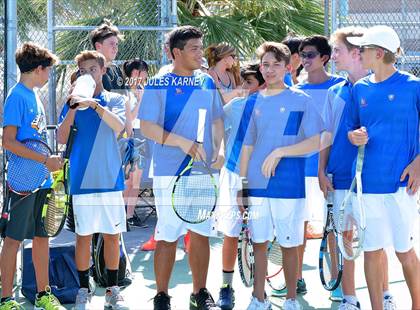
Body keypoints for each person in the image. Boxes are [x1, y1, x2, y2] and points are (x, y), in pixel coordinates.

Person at [138, 25, 225, 310]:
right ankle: (162, 295)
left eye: (202, 47)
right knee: (167, 233)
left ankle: (199, 293)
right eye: (195, 49)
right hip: (168, 172)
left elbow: (216, 120)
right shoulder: (158, 84)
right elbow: (148, 127)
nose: (201, 54)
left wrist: (220, 149)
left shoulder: (207, 82)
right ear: (177, 53)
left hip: (202, 171)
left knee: (200, 232)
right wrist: (181, 142)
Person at [239, 41, 323, 310]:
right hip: (257, 186)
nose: (270, 69)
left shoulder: (301, 100)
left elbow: (317, 141)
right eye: (265, 64)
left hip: (289, 185)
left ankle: (290, 300)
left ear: (288, 67)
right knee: (259, 243)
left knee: (290, 244)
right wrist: (242, 185)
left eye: (276, 64)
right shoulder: (253, 101)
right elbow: (247, 145)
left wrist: (281, 152)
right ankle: (258, 298)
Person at [319, 26, 396, 309]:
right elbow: (326, 134)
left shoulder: (381, 88)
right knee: (345, 239)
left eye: (337, 50)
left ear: (356, 53)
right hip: (339, 177)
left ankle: (385, 294)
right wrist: (321, 170)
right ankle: (349, 299)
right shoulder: (334, 93)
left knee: (376, 241)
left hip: (374, 180)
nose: (332, 56)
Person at [346, 25, 420, 310]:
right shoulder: (359, 88)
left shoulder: (413, 86)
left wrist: (418, 163)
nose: (358, 54)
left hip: (402, 185)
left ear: (378, 53)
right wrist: (354, 137)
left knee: (405, 252)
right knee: (372, 251)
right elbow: (351, 130)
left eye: (362, 50)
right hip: (367, 185)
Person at [57, 50, 128, 310]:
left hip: (109, 179)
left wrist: (95, 105)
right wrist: (75, 106)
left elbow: (121, 127)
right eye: (83, 71)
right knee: (83, 237)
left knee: (112, 236)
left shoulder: (114, 99)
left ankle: (112, 289)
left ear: (103, 71)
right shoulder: (71, 102)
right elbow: (62, 138)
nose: (89, 74)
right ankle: (83, 290)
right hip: (81, 180)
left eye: (93, 70)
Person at [277, 35, 344, 299]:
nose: (305, 60)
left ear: (325, 58)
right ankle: (295, 280)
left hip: (329, 171)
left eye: (310, 55)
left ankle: (336, 281)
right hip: (298, 170)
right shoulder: (296, 89)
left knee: (332, 227)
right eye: (302, 54)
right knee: (297, 227)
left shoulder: (340, 86)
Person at [0, 42, 65, 310]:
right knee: (13, 240)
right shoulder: (17, 97)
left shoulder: (34, 95)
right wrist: (44, 160)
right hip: (22, 182)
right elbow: (8, 141)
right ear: (39, 69)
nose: (49, 76)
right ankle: (6, 299)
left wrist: (49, 165)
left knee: (42, 237)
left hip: (42, 180)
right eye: (48, 71)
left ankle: (43, 295)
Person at [216, 64, 265, 310]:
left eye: (250, 83)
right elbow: (214, 122)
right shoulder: (234, 106)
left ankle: (260, 292)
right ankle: (226, 287)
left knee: (261, 236)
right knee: (230, 233)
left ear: (263, 84)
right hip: (232, 174)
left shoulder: (271, 107)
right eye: (242, 82)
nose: (244, 88)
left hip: (262, 179)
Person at [121, 58, 149, 225]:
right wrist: (139, 101)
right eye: (142, 71)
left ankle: (130, 216)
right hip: (128, 137)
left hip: (142, 136)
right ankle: (122, 214)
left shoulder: (143, 90)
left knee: (136, 180)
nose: (144, 75)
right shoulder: (125, 93)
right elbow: (129, 118)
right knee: (127, 181)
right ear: (134, 73)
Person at [90, 19, 126, 93]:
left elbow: (124, 99)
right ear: (98, 46)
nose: (115, 48)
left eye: (116, 44)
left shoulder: (116, 69)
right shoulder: (89, 70)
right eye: (111, 44)